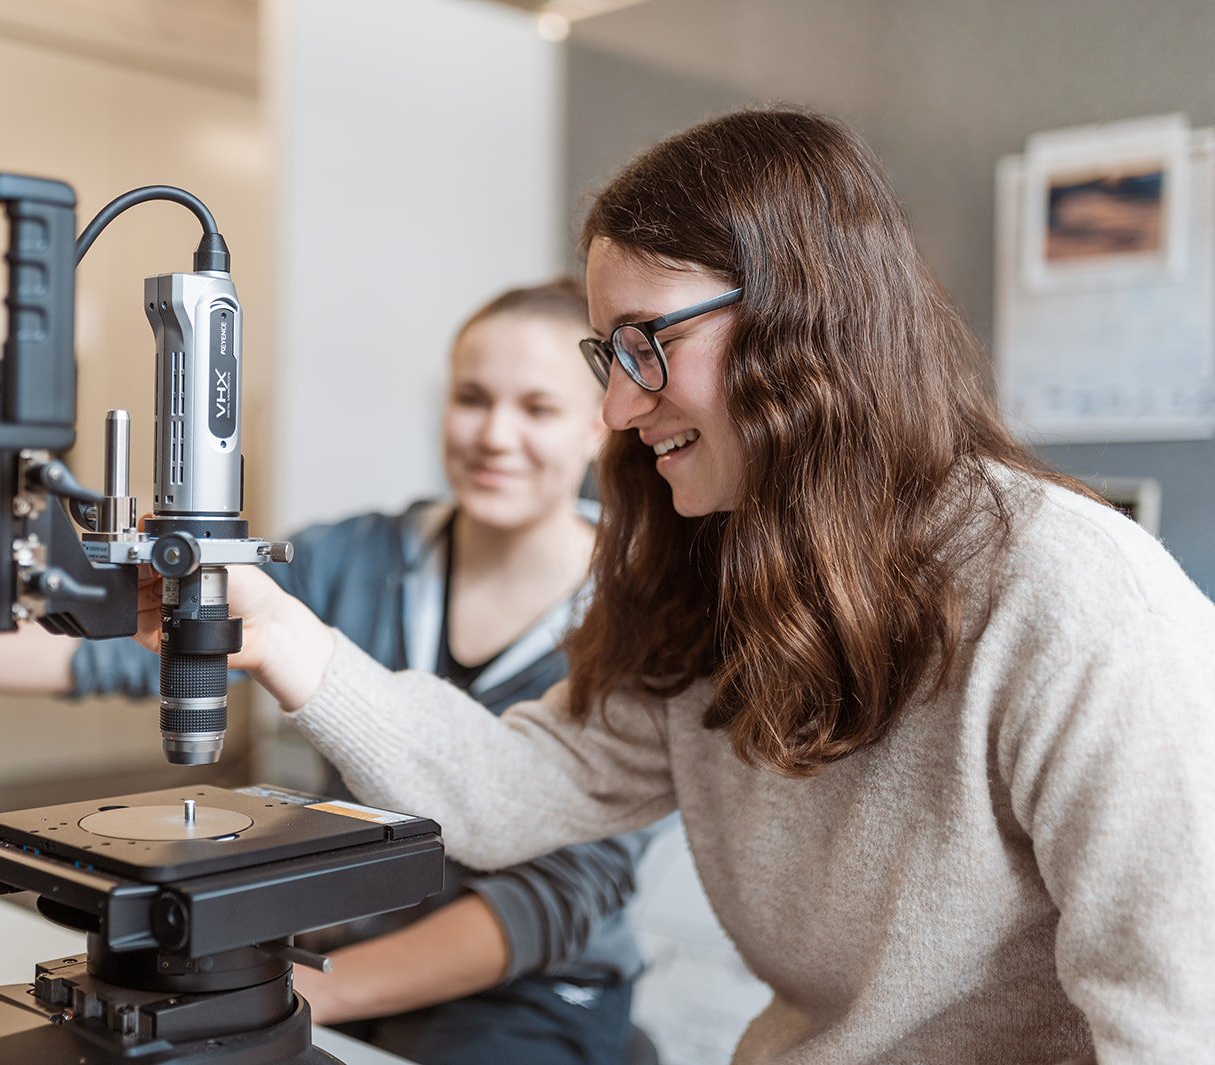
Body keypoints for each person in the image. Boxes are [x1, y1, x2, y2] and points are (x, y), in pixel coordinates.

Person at [137, 108, 1215, 1063]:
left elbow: (1175, 1018)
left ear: (807, 324)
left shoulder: (1072, 593)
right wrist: (277, 633)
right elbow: (511, 790)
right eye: (610, 354)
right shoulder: (716, 576)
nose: (616, 407)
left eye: (649, 342)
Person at [0, 278, 658, 1065]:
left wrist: (304, 1001)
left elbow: (554, 897)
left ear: (599, 427)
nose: (495, 434)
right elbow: (145, 641)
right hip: (334, 949)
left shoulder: (647, 616)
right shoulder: (359, 556)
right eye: (472, 397)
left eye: (537, 408)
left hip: (527, 995)